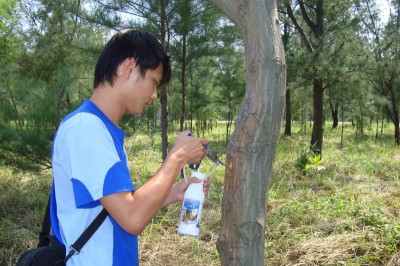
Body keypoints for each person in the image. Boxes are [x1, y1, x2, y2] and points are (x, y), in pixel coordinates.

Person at [49, 29, 210, 265]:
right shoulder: (85, 129)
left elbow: (117, 209)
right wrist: (178, 156)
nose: (154, 95)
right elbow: (133, 218)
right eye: (153, 82)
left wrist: (173, 192)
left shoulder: (101, 129)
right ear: (129, 68)